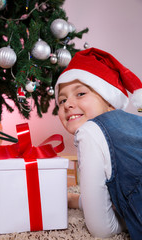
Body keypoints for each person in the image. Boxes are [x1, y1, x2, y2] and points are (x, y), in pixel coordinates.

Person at [54, 48, 142, 240]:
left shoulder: (90, 131)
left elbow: (101, 229)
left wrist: (128, 218)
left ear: (110, 101)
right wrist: (77, 200)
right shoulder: (136, 124)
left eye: (80, 94)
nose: (67, 104)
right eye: (62, 100)